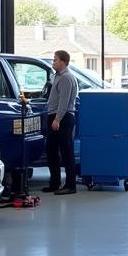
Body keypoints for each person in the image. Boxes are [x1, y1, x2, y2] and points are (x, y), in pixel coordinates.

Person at [43, 49, 79, 195]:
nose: (53, 62)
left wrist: (57, 119)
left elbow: (64, 101)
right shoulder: (57, 76)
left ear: (63, 62)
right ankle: (55, 183)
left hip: (62, 118)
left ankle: (70, 185)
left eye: (55, 59)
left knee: (66, 152)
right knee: (51, 151)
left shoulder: (66, 78)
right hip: (55, 116)